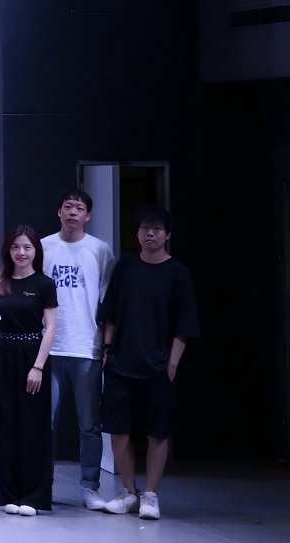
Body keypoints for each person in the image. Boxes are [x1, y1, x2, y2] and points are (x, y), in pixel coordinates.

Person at [95, 205, 197, 520]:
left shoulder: (177, 273)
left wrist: (172, 364)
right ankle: (128, 492)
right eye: (144, 228)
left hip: (158, 366)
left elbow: (184, 324)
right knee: (118, 431)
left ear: (167, 234)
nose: (149, 233)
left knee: (157, 433)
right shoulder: (125, 267)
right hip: (121, 362)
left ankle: (150, 495)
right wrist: (107, 348)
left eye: (156, 229)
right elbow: (110, 312)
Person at [39, 188, 115, 510]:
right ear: (59, 212)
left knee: (90, 425)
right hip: (50, 348)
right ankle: (43, 485)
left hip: (86, 347)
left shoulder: (100, 250)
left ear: (88, 215)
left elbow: (108, 301)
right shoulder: (43, 247)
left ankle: (89, 487)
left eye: (79, 208)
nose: (73, 212)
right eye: (67, 206)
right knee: (46, 423)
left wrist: (106, 344)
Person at [0, 225, 58, 516]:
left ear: (36, 251)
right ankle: (10, 494)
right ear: (8, 250)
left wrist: (38, 366)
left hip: (34, 355)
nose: (21, 252)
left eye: (27, 247)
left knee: (34, 426)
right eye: (16, 247)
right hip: (6, 353)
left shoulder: (44, 283)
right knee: (7, 423)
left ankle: (34, 496)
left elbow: (51, 328)